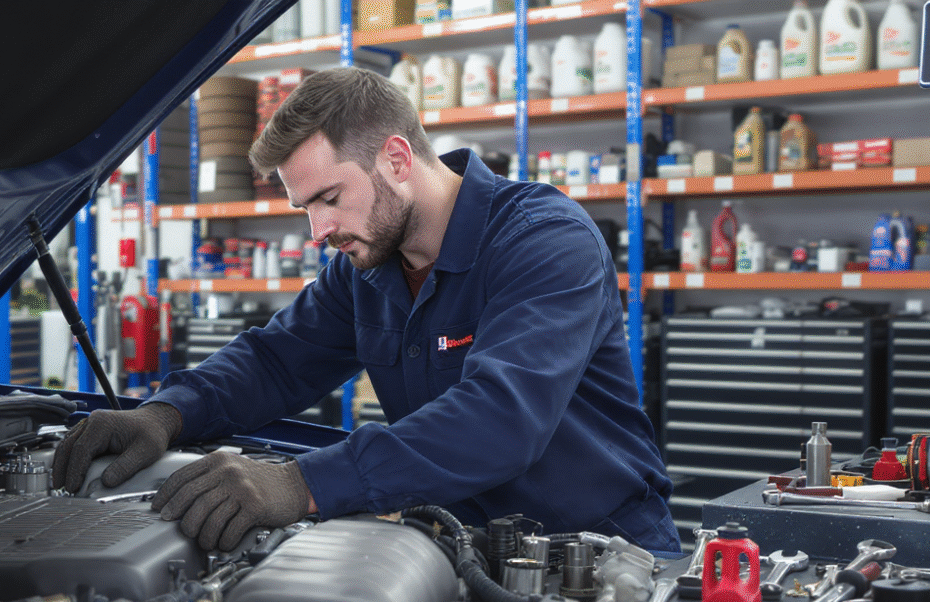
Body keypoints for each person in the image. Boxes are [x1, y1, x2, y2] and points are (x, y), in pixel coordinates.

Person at [55, 67, 678, 554]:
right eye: (305, 209)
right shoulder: (369, 267)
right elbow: (276, 361)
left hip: (601, 558)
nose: (319, 229)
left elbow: (500, 421)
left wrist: (301, 485)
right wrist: (166, 413)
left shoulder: (544, 241)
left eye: (329, 198)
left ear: (397, 160)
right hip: (460, 552)